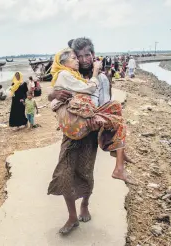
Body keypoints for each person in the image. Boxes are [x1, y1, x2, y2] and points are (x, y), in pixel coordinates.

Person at [47, 38, 133, 235]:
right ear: (74, 58)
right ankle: (71, 217)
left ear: (93, 56)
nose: (84, 59)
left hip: (90, 133)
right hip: (71, 133)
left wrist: (98, 123)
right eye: (79, 56)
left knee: (85, 172)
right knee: (64, 172)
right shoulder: (69, 75)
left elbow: (105, 104)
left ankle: (85, 203)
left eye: (88, 55)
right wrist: (54, 96)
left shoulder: (101, 79)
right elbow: (51, 96)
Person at [50, 48, 132, 182]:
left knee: (116, 107)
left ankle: (118, 151)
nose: (80, 60)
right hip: (76, 123)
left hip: (82, 119)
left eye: (86, 56)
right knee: (118, 121)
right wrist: (95, 72)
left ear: (93, 56)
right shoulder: (65, 74)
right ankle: (118, 161)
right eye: (76, 57)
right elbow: (88, 88)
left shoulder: (73, 75)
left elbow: (102, 98)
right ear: (63, 62)